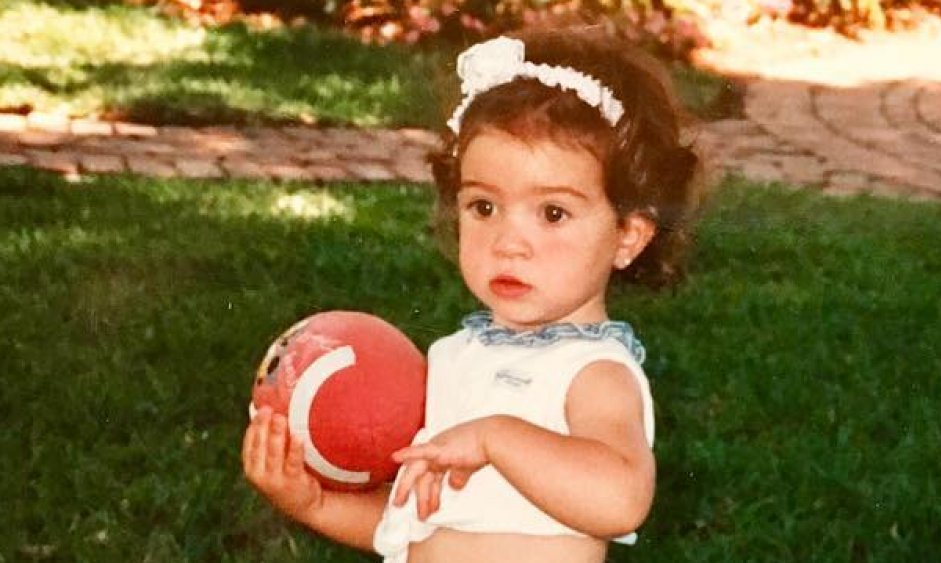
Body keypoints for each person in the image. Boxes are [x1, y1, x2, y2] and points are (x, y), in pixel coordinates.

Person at [242, 26, 703, 563]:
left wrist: (495, 438)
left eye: (553, 213)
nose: (509, 243)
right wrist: (313, 504)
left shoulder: (593, 372)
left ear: (628, 237)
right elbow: (413, 526)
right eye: (484, 207)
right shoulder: (454, 358)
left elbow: (620, 500)